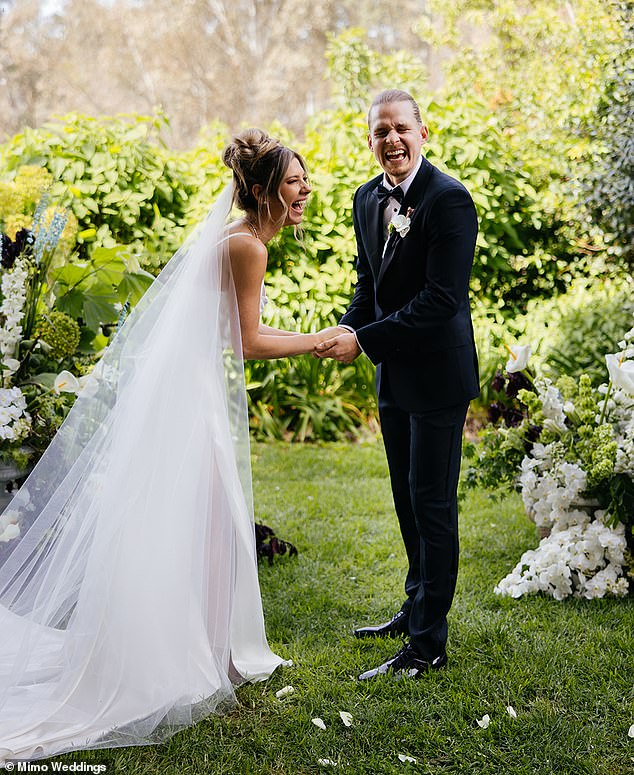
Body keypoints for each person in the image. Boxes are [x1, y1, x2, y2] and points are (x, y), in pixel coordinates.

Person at [0, 128, 336, 763]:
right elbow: (249, 341)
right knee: (216, 523)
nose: (305, 190)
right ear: (264, 191)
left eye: (303, 180)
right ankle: (203, 656)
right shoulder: (248, 248)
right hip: (192, 398)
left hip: (189, 390)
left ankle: (213, 650)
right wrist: (319, 336)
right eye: (294, 182)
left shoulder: (238, 237)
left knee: (210, 521)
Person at [316, 89, 480, 679]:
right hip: (394, 375)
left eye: (401, 128)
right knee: (407, 498)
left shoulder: (450, 201)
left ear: (423, 132)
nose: (392, 139)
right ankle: (415, 609)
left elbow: (442, 300)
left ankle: (428, 644)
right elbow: (371, 286)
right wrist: (346, 326)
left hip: (438, 375)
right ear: (370, 141)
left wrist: (365, 341)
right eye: (380, 131)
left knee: (433, 503)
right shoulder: (366, 199)